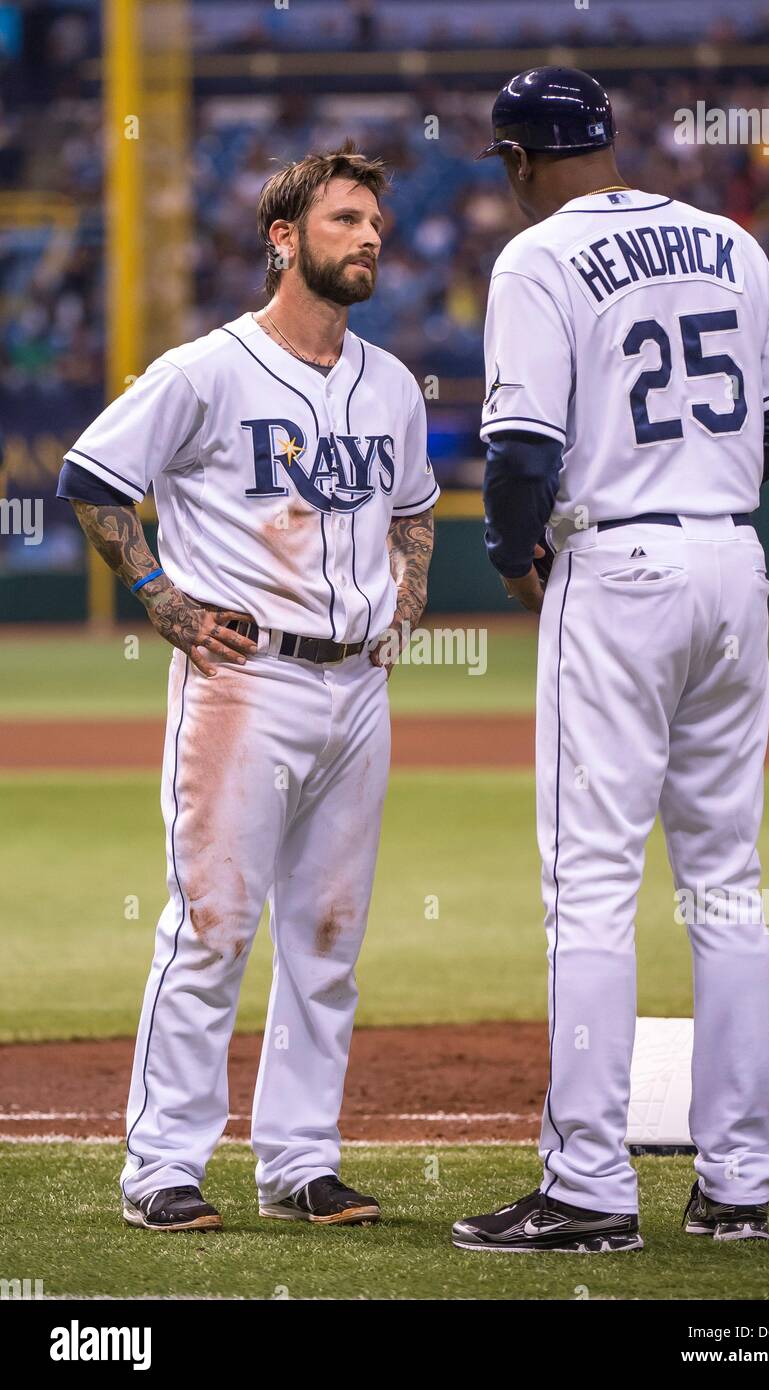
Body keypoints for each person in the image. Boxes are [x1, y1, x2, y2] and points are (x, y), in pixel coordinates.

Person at [452, 68, 769, 1254]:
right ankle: (737, 1184)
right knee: (724, 881)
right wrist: (700, 484)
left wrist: (512, 556)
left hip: (615, 567)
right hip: (731, 562)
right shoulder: (726, 241)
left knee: (591, 886)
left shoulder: (536, 257)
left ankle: (588, 1187)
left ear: (518, 161)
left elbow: (517, 452)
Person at [57, 141, 438, 1232]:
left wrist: (409, 594)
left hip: (355, 687)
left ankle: (300, 1160)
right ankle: (161, 1167)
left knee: (327, 938)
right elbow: (91, 477)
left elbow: (414, 506)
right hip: (245, 677)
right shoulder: (205, 370)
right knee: (214, 925)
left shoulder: (390, 382)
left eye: (374, 223)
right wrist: (161, 598)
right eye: (344, 220)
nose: (368, 238)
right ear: (283, 238)